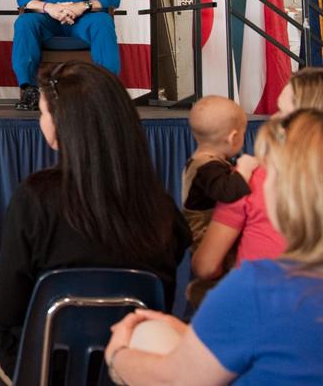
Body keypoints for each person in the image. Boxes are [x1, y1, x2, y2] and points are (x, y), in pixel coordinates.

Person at [0, 61, 190, 383]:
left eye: (43, 113)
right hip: (129, 365)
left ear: (62, 124)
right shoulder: (161, 205)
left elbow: (5, 311)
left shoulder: (35, 199)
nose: (41, 121)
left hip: (43, 367)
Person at [105, 108, 323, 385]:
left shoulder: (261, 287)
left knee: (145, 333)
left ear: (289, 192)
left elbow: (175, 379)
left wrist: (118, 353)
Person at [186, 69, 323, 282]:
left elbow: (206, 267)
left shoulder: (249, 179)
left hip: (259, 303)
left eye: (280, 111)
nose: (272, 118)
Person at [181, 95, 258, 306]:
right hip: (204, 234)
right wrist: (246, 168)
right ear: (233, 137)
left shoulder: (204, 161)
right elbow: (229, 192)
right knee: (215, 276)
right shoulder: (207, 167)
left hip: (211, 233)